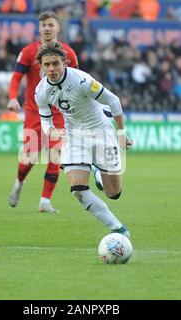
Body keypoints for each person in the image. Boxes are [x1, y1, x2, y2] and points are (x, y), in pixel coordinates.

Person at [34, 40, 133, 237]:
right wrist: (53, 132)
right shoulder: (41, 91)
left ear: (65, 62)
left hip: (101, 131)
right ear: (42, 66)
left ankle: (97, 173)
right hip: (74, 136)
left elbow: (113, 101)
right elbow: (46, 122)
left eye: (55, 63)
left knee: (114, 193)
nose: (51, 69)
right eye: (47, 65)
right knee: (78, 190)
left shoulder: (81, 81)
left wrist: (121, 134)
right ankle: (118, 229)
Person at [7, 12, 79, 212]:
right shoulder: (29, 51)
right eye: (43, 25)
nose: (46, 28)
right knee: (30, 158)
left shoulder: (69, 53)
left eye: (50, 24)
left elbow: (77, 79)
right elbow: (16, 77)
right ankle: (19, 183)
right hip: (35, 112)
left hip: (59, 113)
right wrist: (13, 97)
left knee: (56, 155)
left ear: (58, 28)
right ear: (39, 29)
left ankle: (45, 201)